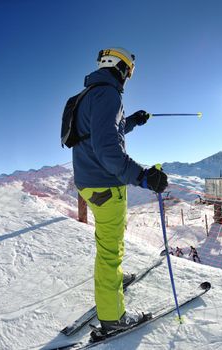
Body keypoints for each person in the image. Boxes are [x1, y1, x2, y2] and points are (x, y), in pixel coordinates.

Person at [72, 47, 168, 334]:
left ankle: (115, 278)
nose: (128, 77)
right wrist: (143, 176)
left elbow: (102, 133)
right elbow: (107, 148)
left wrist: (132, 122)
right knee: (109, 251)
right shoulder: (109, 94)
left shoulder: (89, 94)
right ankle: (112, 318)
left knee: (110, 238)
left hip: (89, 182)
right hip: (105, 183)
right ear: (120, 68)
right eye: (129, 71)